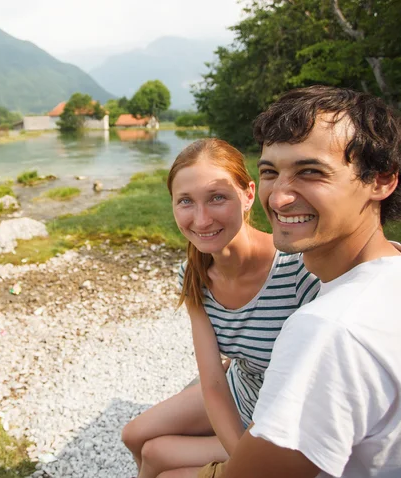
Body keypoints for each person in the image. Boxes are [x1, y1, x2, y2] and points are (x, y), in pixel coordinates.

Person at [202, 86, 401, 478]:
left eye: (310, 172)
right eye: (270, 171)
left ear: (381, 180)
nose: (278, 198)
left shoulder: (330, 329)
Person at [121, 138, 320, 478]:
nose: (201, 220)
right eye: (186, 201)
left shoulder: (298, 271)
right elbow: (213, 380)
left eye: (216, 198)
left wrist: (245, 463)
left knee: (155, 454)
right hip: (238, 391)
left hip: (275, 424)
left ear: (247, 195)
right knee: (133, 435)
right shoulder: (194, 273)